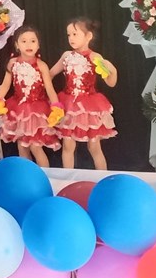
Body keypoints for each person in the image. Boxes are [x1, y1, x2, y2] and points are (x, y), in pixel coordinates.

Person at [50, 17, 118, 169]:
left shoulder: (95, 57)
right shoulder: (67, 56)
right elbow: (51, 74)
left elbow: (110, 82)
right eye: (69, 35)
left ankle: (102, 177)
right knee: (68, 145)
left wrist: (113, 70)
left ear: (88, 36)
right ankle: (68, 177)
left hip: (89, 106)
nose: (71, 38)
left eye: (75, 34)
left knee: (94, 146)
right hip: (68, 105)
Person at [0, 25, 63, 166]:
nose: (28, 44)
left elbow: (50, 89)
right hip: (18, 109)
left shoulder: (41, 65)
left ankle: (44, 175)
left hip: (36, 112)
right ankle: (26, 174)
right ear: (17, 45)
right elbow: (5, 85)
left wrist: (57, 108)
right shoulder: (12, 64)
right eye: (24, 41)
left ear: (38, 45)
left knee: (35, 147)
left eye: (33, 41)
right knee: (22, 146)